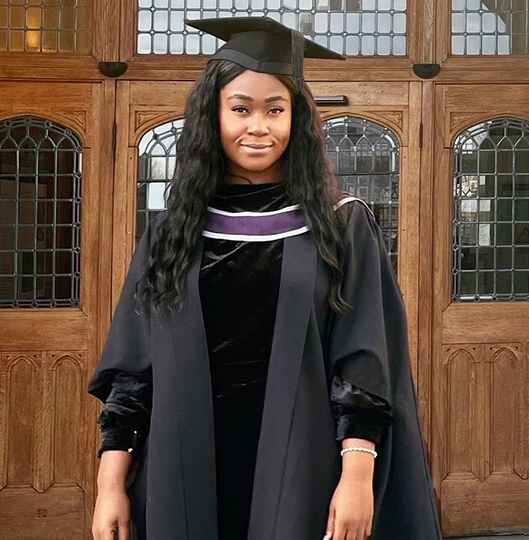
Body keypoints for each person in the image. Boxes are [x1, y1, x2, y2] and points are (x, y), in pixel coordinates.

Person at [88, 16, 441, 540]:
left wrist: (357, 479)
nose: (259, 126)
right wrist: (110, 485)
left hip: (304, 470)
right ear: (213, 116)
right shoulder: (172, 232)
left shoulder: (341, 224)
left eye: (276, 109)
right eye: (241, 109)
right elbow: (132, 374)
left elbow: (365, 366)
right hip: (184, 469)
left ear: (297, 118)